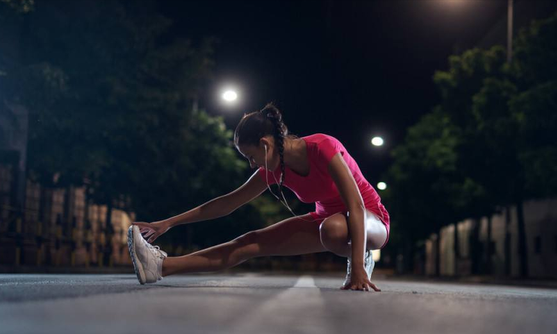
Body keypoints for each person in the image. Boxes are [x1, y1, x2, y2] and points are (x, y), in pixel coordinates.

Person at [127, 103, 390, 291]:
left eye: (251, 157)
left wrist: (356, 268)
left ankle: (362, 257)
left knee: (332, 228)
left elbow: (355, 206)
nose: (253, 165)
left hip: (370, 219)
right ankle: (160, 267)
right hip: (326, 222)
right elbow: (227, 203)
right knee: (249, 242)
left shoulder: (323, 147)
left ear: (265, 144)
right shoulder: (274, 169)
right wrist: (168, 223)